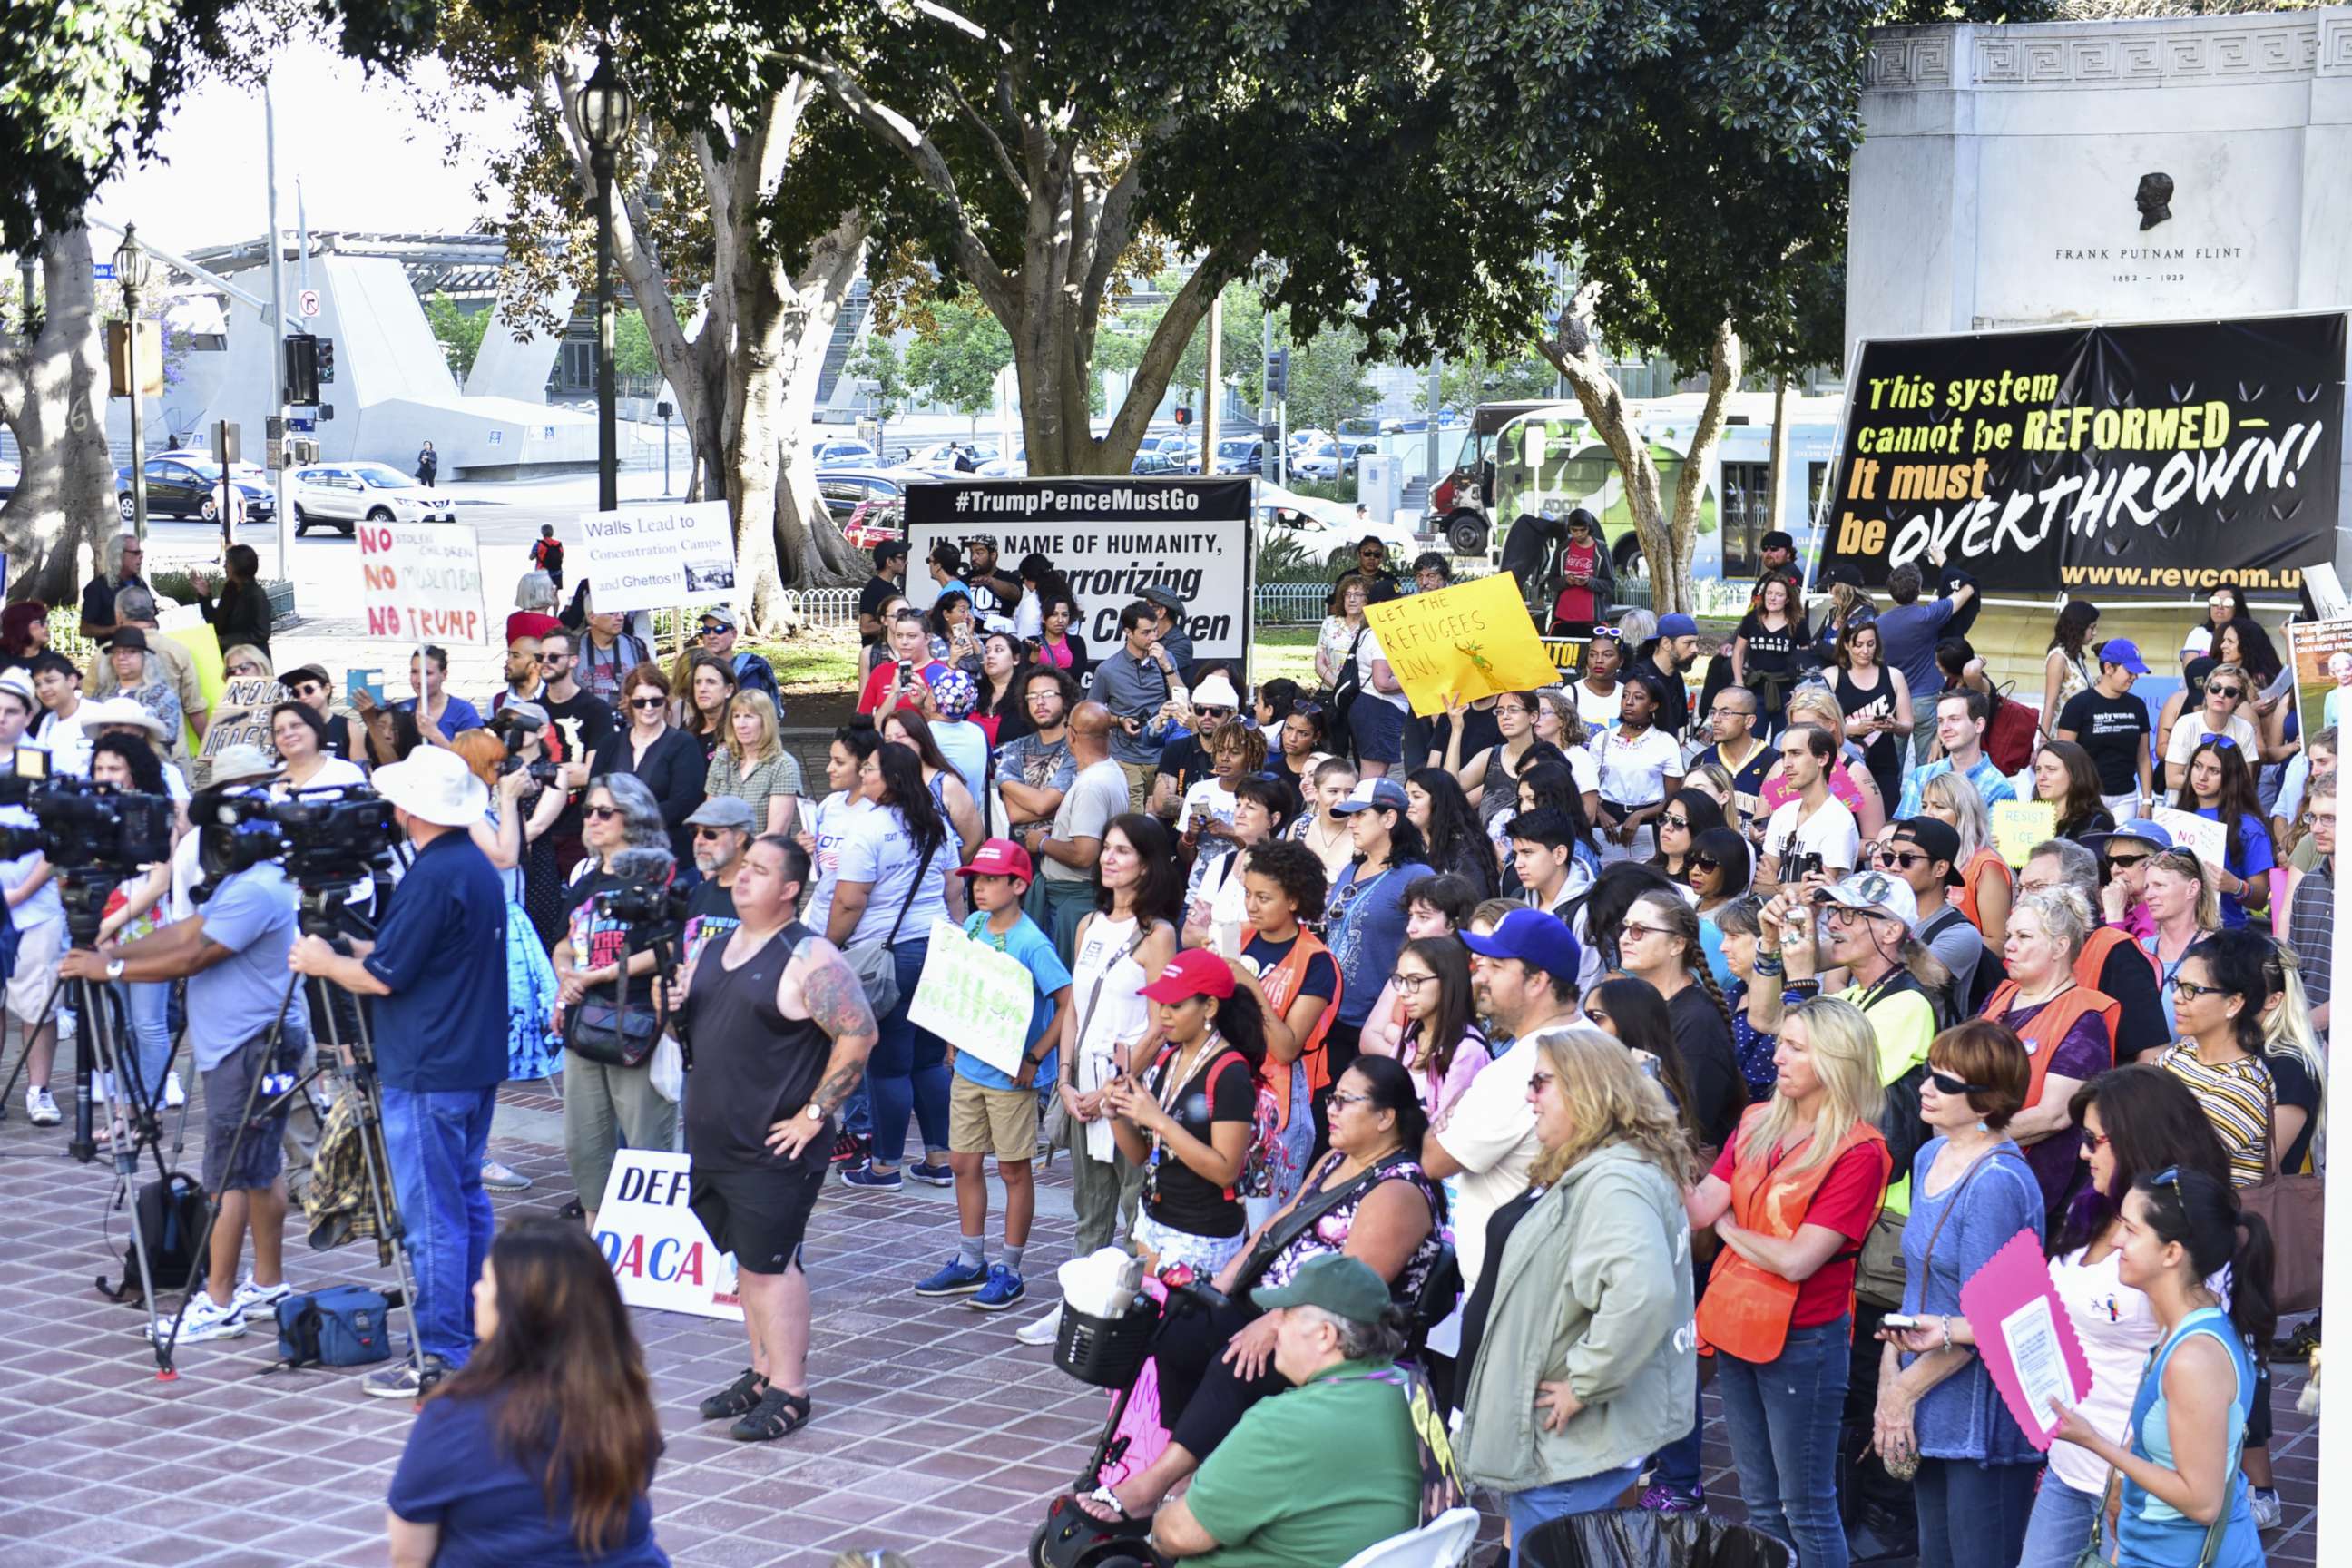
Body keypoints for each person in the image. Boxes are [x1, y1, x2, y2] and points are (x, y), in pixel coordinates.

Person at [289, 746, 508, 1396]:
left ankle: (440, 1352)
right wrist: (354, 948)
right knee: (463, 1198)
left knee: (432, 1212)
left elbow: (383, 978)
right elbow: (413, 954)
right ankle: (471, 1331)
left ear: (410, 808)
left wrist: (324, 962)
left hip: (428, 1064)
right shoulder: (467, 866)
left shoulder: (436, 874)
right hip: (466, 1059)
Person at [57, 778, 304, 1339]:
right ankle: (268, 1285)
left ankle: (217, 1302)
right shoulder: (250, 881)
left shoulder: (255, 889)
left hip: (251, 1048)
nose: (216, 846)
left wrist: (110, 971)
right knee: (260, 1169)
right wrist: (113, 950)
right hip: (252, 1043)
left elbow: (194, 955)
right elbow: (188, 930)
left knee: (227, 1177)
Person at [665, 832, 878, 1446]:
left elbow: (857, 1034)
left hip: (775, 1145)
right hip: (716, 1139)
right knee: (746, 1263)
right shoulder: (714, 947)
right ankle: (761, 1372)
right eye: (744, 867)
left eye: (760, 870)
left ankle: (790, 1388)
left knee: (772, 1266)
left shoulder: (809, 956)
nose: (743, 877)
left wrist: (814, 1114)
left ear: (790, 890)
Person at [1690, 997, 1893, 1568]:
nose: (1776, 1056)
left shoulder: (1860, 1151)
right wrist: (1650, 1143)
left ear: (1836, 1060)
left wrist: (1729, 1227)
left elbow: (1799, 1261)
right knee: (1760, 1503)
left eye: (1796, 1047)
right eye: (1782, 1042)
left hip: (1803, 1339)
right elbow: (1700, 1208)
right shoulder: (1757, 1119)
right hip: (1736, 1322)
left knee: (1805, 1505)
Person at [2016, 1065, 2231, 1568]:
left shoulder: (2187, 1234)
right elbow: (2050, 1313)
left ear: (2139, 1139)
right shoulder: (2089, 1209)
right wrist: (1946, 1331)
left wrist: (2123, 1474)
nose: (2083, 1152)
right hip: (2070, 1463)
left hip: (2139, 1479)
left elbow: (2182, 1364)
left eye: (2094, 1139)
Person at [386, 1216, 668, 1566]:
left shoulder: (454, 1416)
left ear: (518, 1311)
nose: (475, 1289)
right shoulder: (622, 1398)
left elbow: (408, 1554)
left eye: (487, 1281)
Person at [1871, 1020, 2044, 1568]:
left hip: (1979, 1417)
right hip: (1930, 1394)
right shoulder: (1929, 1155)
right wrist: (1888, 1378)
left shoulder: (1997, 1182)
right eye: (1929, 1074)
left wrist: (1901, 1395)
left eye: (1945, 1083)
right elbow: (1917, 1288)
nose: (1925, 1087)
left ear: (1987, 1101)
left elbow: (1988, 1319)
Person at [2044, 1167, 2273, 1568]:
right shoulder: (2184, 1323)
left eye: (2131, 1231)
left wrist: (2093, 1442)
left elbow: (2202, 1502)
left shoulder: (2192, 1358)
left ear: (2172, 1253)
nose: (2115, 1241)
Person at [1135, 1255, 1426, 1567]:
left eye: (1286, 1315)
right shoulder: (1413, 1394)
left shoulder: (1283, 1423)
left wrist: (1158, 1525)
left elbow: (1177, 1534)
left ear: (1325, 1335)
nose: (1274, 1325)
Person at [1013, 815, 1180, 1346]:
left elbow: (1161, 1025)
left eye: (1122, 851)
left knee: (1136, 1207)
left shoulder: (1158, 935)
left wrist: (1115, 1087)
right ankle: (1076, 1307)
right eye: (1105, 849)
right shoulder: (1087, 925)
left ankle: (1128, 1313)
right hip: (1081, 1084)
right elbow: (1076, 1011)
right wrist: (1063, 1081)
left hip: (1130, 1092)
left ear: (1147, 864)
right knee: (1090, 1207)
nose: (1109, 859)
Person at [913, 840, 1072, 1313]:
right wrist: (951, 1037)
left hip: (1010, 1079)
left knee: (1012, 1169)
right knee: (963, 1163)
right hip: (968, 1070)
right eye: (975, 880)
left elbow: (1067, 1000)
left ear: (1019, 885)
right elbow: (959, 982)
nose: (978, 888)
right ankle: (970, 1259)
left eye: (990, 880)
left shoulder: (1032, 942)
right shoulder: (975, 925)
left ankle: (1011, 1268)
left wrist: (1037, 1056)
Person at [549, 774, 680, 1226]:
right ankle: (598, 1234)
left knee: (647, 1140)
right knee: (585, 1140)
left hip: (638, 1018)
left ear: (634, 815)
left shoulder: (660, 872)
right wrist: (565, 975)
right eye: (588, 811)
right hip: (584, 1019)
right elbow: (564, 939)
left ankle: (648, 1239)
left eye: (606, 811)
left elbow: (673, 944)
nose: (594, 820)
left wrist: (603, 973)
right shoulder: (586, 876)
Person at [1431, 908, 1584, 1290]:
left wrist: (1450, 1110)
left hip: (1511, 1289)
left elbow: (1434, 1160)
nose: (1479, 976)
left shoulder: (1519, 1071)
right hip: (1546, 1276)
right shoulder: (1594, 1040)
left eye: (1496, 967)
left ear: (1538, 981)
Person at [828, 742, 955, 1191]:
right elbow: (953, 890)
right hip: (937, 947)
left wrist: (827, 946)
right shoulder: (935, 824)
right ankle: (940, 1159)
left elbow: (849, 899)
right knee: (929, 1061)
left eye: (870, 769)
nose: (864, 776)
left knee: (888, 1064)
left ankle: (884, 1166)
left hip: (891, 957)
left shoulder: (869, 829)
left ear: (893, 780)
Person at [1102, 948, 1266, 1274]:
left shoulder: (1230, 1073)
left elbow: (1225, 1171)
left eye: (1175, 1006)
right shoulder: (1167, 1059)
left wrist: (1159, 1121)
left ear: (1210, 1007)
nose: (1163, 1014)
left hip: (1202, 1234)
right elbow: (1140, 1155)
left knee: (1181, 1324)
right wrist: (1117, 1115)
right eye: (1161, 1003)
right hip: (1154, 1219)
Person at [1980, 888, 2117, 1216]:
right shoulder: (2002, 993)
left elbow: (2054, 1115)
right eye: (2010, 934)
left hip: (2031, 1185)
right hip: (1978, 1167)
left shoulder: (2084, 1017)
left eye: (2024, 936)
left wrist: (1970, 1133)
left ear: (2060, 947)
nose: (2009, 944)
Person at [1322, 779, 1430, 1112]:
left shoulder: (1417, 875)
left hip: (1370, 1020)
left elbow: (1427, 947)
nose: (1350, 822)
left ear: (1389, 819)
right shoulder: (1352, 867)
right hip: (1329, 1013)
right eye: (1348, 816)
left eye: (1360, 815)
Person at [1616, 891, 1745, 1150]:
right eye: (1625, 928)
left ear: (1677, 944)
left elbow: (1692, 1121)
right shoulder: (1641, 1005)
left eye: (1639, 930)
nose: (1624, 939)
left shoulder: (1697, 1019)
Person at [0, 671, 68, 1127]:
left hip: (34, 904)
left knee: (37, 1002)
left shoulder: (41, 764)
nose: (1, 720)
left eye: (10, 712)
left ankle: (38, 1090)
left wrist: (22, 890)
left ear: (28, 715)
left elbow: (59, 838)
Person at [1021, 701, 1127, 957]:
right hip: (1080, 898)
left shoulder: (1091, 784)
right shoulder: (1111, 770)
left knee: (1067, 984)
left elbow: (1084, 854)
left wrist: (1041, 843)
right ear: (1109, 736)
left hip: (1074, 903)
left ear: (1071, 735)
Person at [588, 663, 707, 862]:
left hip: (668, 854)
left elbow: (683, 804)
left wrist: (627, 821)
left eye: (656, 701)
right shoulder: (610, 743)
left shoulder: (683, 744)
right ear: (628, 702)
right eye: (640, 702)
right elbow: (594, 792)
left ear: (666, 700)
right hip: (614, 853)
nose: (649, 708)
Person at [1877, 557, 1978, 758]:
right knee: (1927, 764)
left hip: (1894, 700)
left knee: (1892, 763)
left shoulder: (1877, 624)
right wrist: (1945, 563)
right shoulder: (1928, 616)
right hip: (1926, 698)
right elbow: (1968, 590)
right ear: (1919, 589)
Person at [2172, 737, 2273, 929]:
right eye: (2197, 766)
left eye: (2214, 771)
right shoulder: (2177, 816)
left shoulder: (2250, 828)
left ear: (2230, 776)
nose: (2202, 777)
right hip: (2175, 933)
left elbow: (2260, 898)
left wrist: (2235, 886)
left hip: (2225, 937)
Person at [1094, 601, 1184, 809]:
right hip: (1126, 758)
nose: (1153, 637)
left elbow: (1181, 701)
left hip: (1163, 756)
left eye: (1155, 630)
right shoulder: (1107, 670)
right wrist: (1119, 720)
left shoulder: (1166, 657)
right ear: (1128, 632)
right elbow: (1092, 716)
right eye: (1145, 633)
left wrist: (1167, 667)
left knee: (1162, 818)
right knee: (1134, 823)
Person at [1387, 936, 1488, 1117]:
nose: (1402, 992)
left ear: (1447, 981)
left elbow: (1447, 1129)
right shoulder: (1410, 1037)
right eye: (1400, 979)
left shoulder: (1468, 1049)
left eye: (1415, 980)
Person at [2058, 638, 2156, 821]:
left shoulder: (2137, 706)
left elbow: (2143, 757)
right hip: (2087, 797)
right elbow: (2064, 757)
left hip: (2126, 797)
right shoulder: (2079, 705)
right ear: (2109, 668)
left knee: (2121, 849)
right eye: (2130, 672)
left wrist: (2147, 801)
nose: (2135, 677)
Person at [1594, 671, 1684, 862]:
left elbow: (1673, 799)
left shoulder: (1665, 742)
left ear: (1653, 705)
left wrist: (1640, 815)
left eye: (1638, 697)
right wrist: (1600, 814)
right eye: (1625, 695)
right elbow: (1588, 789)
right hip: (1607, 820)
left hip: (1650, 819)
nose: (1628, 702)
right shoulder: (1603, 739)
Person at [1760, 723, 1861, 888]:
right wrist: (1782, 887)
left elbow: (1816, 893)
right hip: (1773, 911)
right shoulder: (1782, 813)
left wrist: (1775, 885)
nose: (1786, 763)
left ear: (1822, 758)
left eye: (1796, 754)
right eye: (1783, 755)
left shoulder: (1838, 821)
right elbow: (1760, 884)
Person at [1920, 769, 2013, 946]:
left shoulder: (1986, 866)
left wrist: (1945, 950)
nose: (1928, 814)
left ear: (1964, 813)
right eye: (1925, 806)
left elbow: (1999, 944)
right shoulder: (1924, 857)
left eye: (1939, 807)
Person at [1898, 688, 2017, 818]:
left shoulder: (1999, 788)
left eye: (1954, 719)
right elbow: (1904, 831)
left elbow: (1988, 838)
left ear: (1979, 725)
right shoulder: (1922, 776)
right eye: (1940, 721)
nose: (1945, 728)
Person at [1834, 618, 1912, 810]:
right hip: (1844, 767)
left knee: (1887, 821)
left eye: (1870, 644)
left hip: (1884, 765)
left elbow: (1907, 727)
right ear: (1846, 645)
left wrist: (1895, 726)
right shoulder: (1832, 676)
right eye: (1858, 645)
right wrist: (1851, 728)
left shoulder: (1894, 676)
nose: (1865, 651)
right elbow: (1816, 728)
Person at [703, 690, 803, 839]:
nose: (741, 724)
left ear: (766, 721)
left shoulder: (783, 765)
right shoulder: (722, 759)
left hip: (761, 857)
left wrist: (734, 851)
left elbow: (775, 834)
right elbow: (708, 817)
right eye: (736, 716)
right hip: (720, 854)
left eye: (749, 717)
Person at [2163, 661, 2260, 794]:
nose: (2221, 694)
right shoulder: (2185, 724)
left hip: (2227, 808)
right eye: (2215, 688)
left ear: (2238, 699)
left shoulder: (2245, 729)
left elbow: (2246, 781)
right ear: (2206, 691)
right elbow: (2172, 780)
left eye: (2230, 692)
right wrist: (2214, 785)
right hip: (2185, 806)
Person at [2285, 769, 2333, 1033]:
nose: (2316, 828)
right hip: (2306, 1035)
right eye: (2313, 817)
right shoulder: (2309, 883)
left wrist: (2302, 1025)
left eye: (2329, 819)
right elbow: (2294, 963)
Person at [1406, 765, 1500, 897]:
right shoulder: (1412, 845)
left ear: (1438, 801)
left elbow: (1472, 903)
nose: (1408, 802)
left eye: (1416, 796)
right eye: (1406, 796)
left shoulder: (1463, 850)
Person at [1731, 574, 1808, 734]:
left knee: (1784, 741)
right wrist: (1739, 682)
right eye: (1769, 593)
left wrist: (1800, 689)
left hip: (1787, 692)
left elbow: (1807, 659)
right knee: (1753, 740)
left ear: (1787, 599)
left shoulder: (1798, 623)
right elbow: (1738, 651)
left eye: (1779, 595)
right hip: (1755, 689)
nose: (1772, 598)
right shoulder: (1752, 619)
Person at [1348, 608, 1414, 780]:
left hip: (1372, 707)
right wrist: (1415, 679)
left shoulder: (1368, 632)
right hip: (1381, 709)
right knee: (1374, 778)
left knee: (1373, 774)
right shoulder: (1381, 636)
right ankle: (1366, 807)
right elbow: (1382, 683)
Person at [1694, 684, 1773, 827]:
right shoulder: (1702, 761)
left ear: (1749, 721)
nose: (1716, 720)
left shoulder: (1774, 762)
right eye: (1713, 712)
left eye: (1725, 713)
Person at [104, 627, 187, 760]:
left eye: (131, 652)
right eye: (116, 652)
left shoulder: (162, 695)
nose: (121, 657)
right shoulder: (103, 694)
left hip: (149, 764)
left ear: (145, 657)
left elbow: (167, 736)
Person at [192, 543, 273, 657]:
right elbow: (216, 623)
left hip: (252, 659)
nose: (224, 566)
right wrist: (205, 597)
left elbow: (261, 633)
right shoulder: (230, 589)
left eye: (227, 562)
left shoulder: (256, 594)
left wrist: (225, 640)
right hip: (229, 656)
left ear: (238, 566)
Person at [693, 603, 780, 710]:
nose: (711, 636)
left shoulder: (747, 672)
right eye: (706, 630)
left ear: (734, 634)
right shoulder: (696, 670)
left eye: (719, 629)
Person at [1545, 509, 1614, 635]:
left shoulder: (1601, 549)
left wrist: (1589, 582)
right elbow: (1551, 582)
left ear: (1589, 528)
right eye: (1574, 530)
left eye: (1583, 530)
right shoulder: (1562, 548)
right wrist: (1565, 580)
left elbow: (1610, 585)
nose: (1578, 534)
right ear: (1569, 529)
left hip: (1592, 621)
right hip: (1562, 620)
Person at [2034, 737, 2115, 840]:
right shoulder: (2029, 817)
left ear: (2075, 774)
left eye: (2051, 769)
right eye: (2038, 769)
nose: (2041, 777)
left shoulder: (2097, 822)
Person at [78, 533, 148, 644]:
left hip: (143, 649)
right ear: (118, 555)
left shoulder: (140, 584)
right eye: (136, 553)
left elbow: (154, 617)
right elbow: (84, 630)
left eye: (141, 552)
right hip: (113, 653)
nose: (141, 556)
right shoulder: (97, 588)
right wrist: (113, 630)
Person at [970, 630, 1030, 747]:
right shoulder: (972, 690)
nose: (990, 655)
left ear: (1016, 659)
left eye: (998, 650)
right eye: (987, 651)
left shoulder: (1028, 695)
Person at [578, 609, 650, 703]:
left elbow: (651, 685)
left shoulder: (636, 646)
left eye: (622, 612)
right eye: (612, 613)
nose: (621, 617)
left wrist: (634, 703)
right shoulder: (572, 649)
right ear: (592, 618)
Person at [1313, 575, 1369, 690]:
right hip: (1330, 693)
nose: (1351, 599)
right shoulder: (1329, 623)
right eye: (1347, 594)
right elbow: (1319, 664)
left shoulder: (1372, 628)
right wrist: (1339, 686)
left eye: (1357, 594)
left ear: (1367, 599)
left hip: (1361, 695)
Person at [857, 540, 907, 645]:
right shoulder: (874, 589)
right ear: (889, 562)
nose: (906, 562)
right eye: (902, 558)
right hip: (879, 653)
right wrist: (900, 623)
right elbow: (865, 628)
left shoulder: (890, 588)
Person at [1034, 584, 1090, 678]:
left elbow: (1077, 673)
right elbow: (1024, 674)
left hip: (1068, 691)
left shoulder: (1077, 642)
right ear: (1043, 618)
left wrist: (1042, 673)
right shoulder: (1031, 642)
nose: (1060, 620)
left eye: (1065, 615)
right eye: (1054, 615)